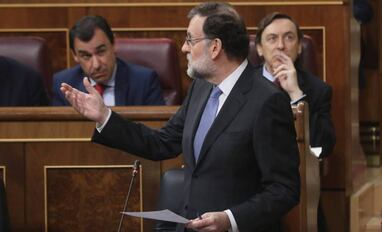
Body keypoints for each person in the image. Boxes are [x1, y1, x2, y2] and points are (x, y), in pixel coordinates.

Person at [60, 2, 300, 232]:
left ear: (215, 47)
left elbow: (284, 189)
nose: (184, 48)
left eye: (190, 40)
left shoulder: (267, 101)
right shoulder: (201, 87)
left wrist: (229, 219)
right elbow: (162, 143)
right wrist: (104, 116)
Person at [255, 12, 336, 159]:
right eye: (272, 39)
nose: (281, 46)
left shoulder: (319, 90)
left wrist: (296, 94)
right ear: (259, 48)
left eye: (289, 37)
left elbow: (322, 147)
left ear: (299, 47)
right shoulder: (244, 84)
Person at [52, 15, 165, 106]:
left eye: (101, 51)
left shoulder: (144, 81)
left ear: (113, 45)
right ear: (75, 55)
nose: (96, 65)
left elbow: (156, 131)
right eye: (86, 56)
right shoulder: (64, 84)